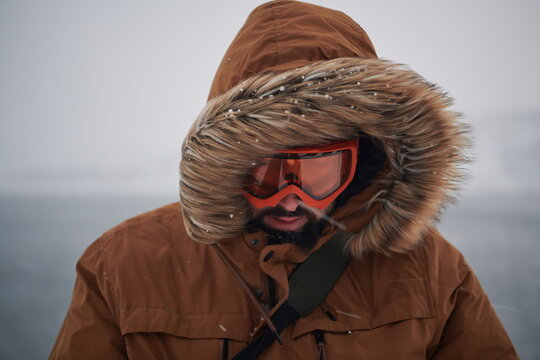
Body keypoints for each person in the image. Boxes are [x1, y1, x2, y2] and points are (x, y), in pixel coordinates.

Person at [50, 1, 519, 359]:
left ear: (364, 160)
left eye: (320, 171)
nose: (291, 201)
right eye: (266, 172)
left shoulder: (431, 271)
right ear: (225, 163)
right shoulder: (124, 263)